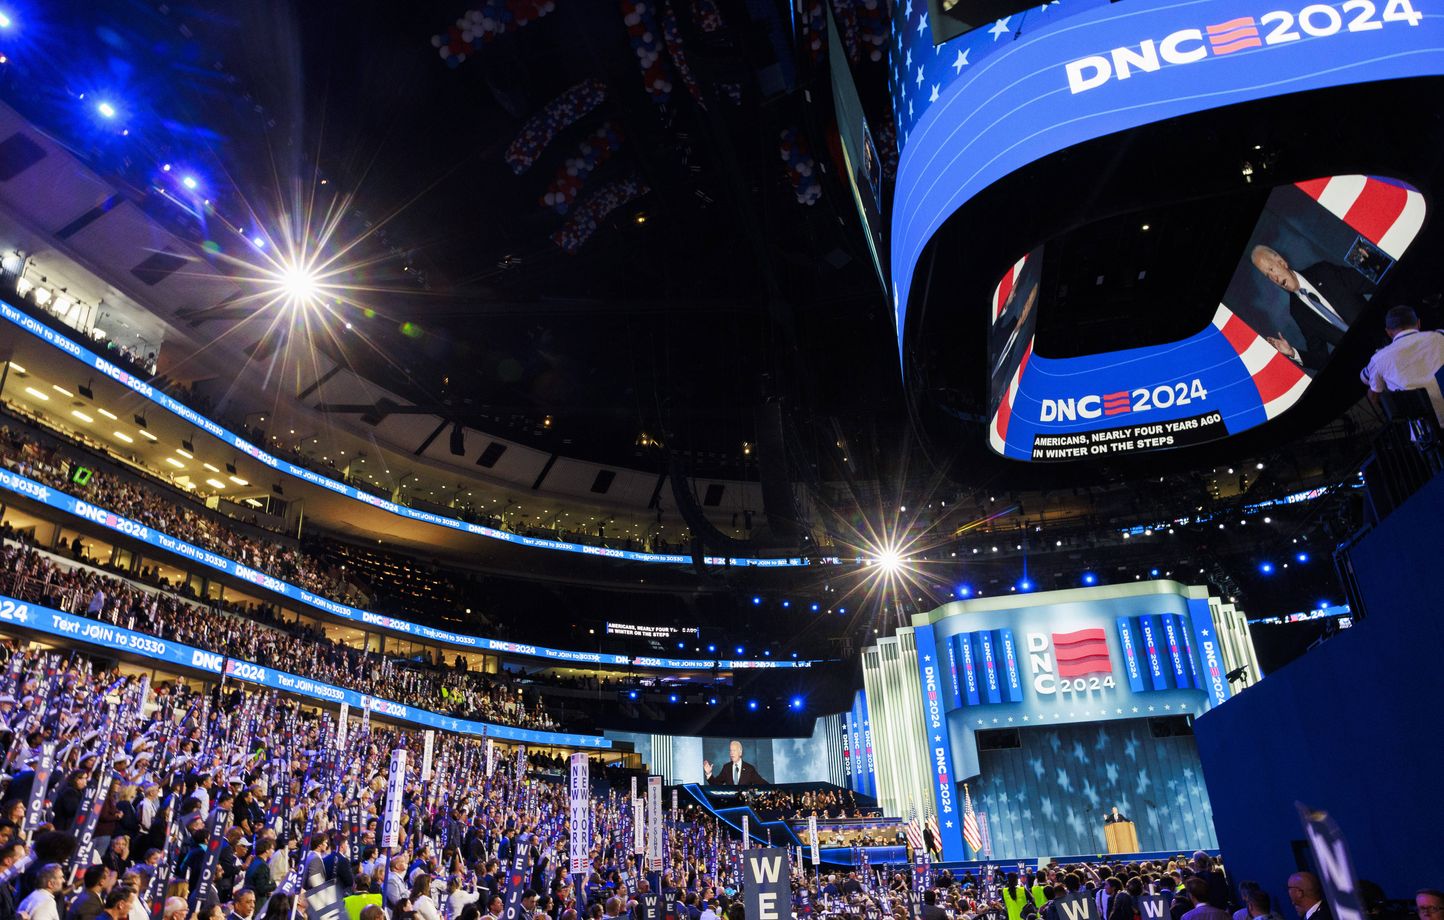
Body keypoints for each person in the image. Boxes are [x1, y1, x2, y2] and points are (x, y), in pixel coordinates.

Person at [1252, 245, 1371, 372]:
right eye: (1268, 275)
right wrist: (1293, 353)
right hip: (1367, 363)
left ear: (1281, 262)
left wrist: (1371, 262)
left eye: (1271, 269)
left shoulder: (1323, 271)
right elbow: (1320, 357)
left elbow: (1369, 282)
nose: (1274, 278)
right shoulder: (1297, 311)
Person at [1359, 305, 1444, 421]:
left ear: (1388, 332)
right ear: (1418, 323)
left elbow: (1370, 390)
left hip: (1428, 432)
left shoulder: (1379, 358)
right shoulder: (1441, 336)